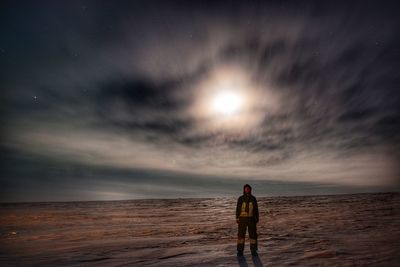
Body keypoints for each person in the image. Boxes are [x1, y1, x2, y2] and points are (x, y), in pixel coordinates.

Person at [236, 184, 259, 256]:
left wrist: (257, 218)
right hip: (242, 219)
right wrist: (237, 217)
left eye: (248, 189)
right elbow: (238, 208)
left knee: (253, 235)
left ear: (250, 190)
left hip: (251, 219)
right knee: (241, 235)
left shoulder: (253, 198)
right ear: (244, 190)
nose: (247, 190)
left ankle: (253, 250)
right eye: (246, 189)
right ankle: (240, 250)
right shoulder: (240, 198)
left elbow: (256, 209)